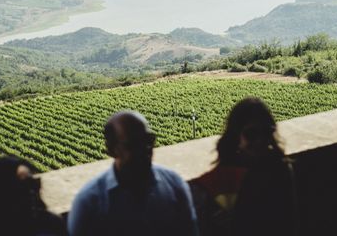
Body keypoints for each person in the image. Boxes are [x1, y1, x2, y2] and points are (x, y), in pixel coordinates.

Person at [67, 110, 198, 236]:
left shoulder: (175, 185)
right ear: (112, 150)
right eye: (135, 144)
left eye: (149, 140)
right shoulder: (89, 202)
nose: (146, 148)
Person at [190, 98, 296, 236]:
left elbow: (288, 224)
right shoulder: (223, 178)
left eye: (266, 132)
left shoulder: (279, 170)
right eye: (251, 134)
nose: (260, 140)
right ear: (236, 136)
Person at [0, 156, 66, 236]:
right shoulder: (52, 225)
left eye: (33, 183)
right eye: (22, 186)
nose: (31, 192)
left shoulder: (52, 224)